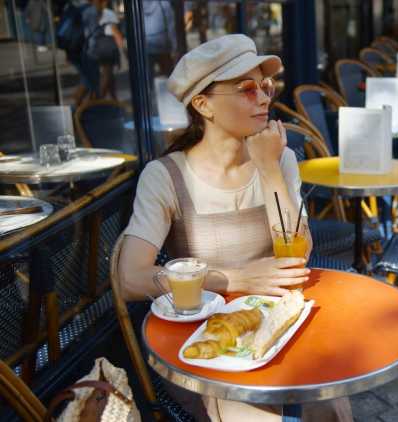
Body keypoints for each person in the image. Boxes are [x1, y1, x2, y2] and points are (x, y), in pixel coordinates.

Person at [117, 34, 351, 422]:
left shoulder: (279, 159)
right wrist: (235, 278)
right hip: (205, 342)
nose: (263, 98)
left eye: (266, 86)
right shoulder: (166, 176)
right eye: (246, 88)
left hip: (277, 323)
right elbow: (130, 278)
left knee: (331, 406)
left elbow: (295, 254)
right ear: (203, 104)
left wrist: (271, 170)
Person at [89, 0, 125, 101]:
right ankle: (97, 100)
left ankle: (114, 99)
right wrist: (122, 50)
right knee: (107, 75)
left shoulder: (89, 13)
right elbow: (115, 33)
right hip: (107, 48)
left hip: (94, 47)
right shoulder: (108, 14)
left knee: (109, 76)